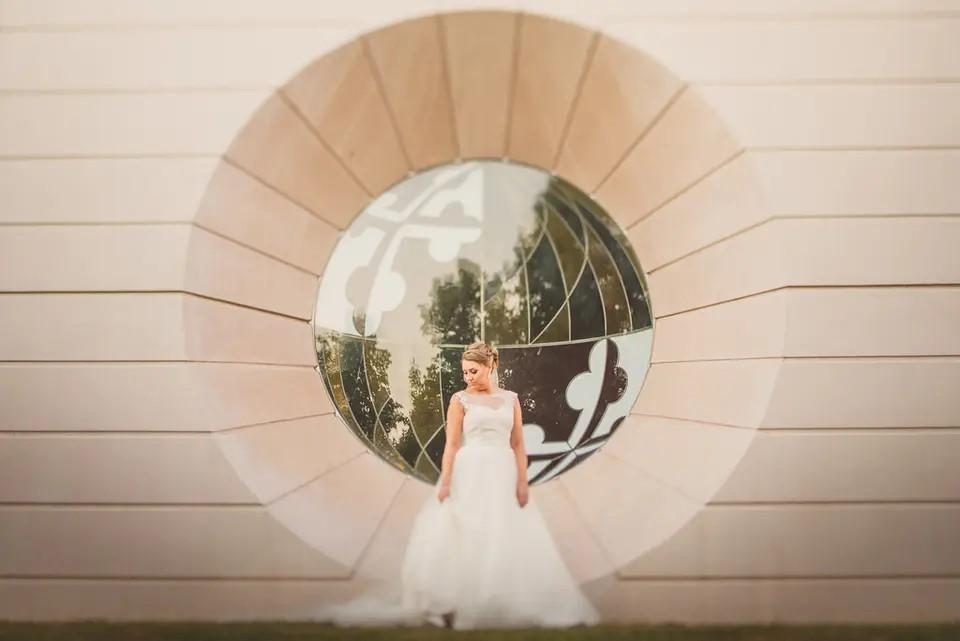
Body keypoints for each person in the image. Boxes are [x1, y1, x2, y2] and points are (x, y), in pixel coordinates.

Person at [315, 341, 601, 630]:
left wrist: (523, 482)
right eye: (464, 372)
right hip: (469, 471)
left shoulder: (510, 400)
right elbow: (451, 445)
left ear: (491, 367)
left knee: (503, 531)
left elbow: (517, 443)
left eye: (473, 371)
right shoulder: (459, 400)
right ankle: (452, 604)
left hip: (502, 471)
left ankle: (502, 602)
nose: (468, 378)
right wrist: (447, 481)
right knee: (464, 533)